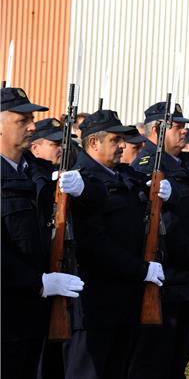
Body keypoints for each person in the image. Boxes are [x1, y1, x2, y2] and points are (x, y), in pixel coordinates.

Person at [65, 109, 170, 379]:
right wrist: (141, 270)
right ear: (93, 143)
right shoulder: (82, 181)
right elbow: (93, 244)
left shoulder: (123, 175)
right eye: (115, 140)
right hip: (96, 301)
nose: (123, 145)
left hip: (127, 298)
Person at [129, 102, 189, 379]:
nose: (184, 132)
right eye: (178, 126)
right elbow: (165, 227)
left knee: (182, 350)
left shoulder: (184, 164)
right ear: (157, 130)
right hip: (168, 276)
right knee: (156, 355)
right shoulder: (148, 165)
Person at [1, 87, 87, 379]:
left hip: (39, 311)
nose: (32, 126)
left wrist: (86, 188)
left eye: (32, 118)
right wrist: (37, 281)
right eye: (21, 119)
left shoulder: (37, 170)